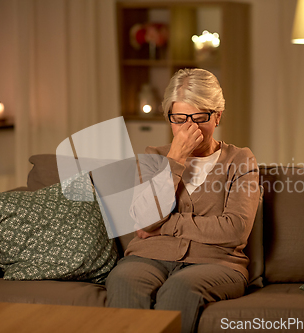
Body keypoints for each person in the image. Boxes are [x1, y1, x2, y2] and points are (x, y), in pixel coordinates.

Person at [106, 68, 260, 333]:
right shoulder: (154, 156)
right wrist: (174, 160)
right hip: (147, 258)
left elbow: (235, 229)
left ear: (217, 116)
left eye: (199, 117)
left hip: (215, 263)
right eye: (178, 118)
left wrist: (162, 226)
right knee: (123, 279)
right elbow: (143, 218)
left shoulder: (240, 160)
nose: (189, 127)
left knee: (179, 288)